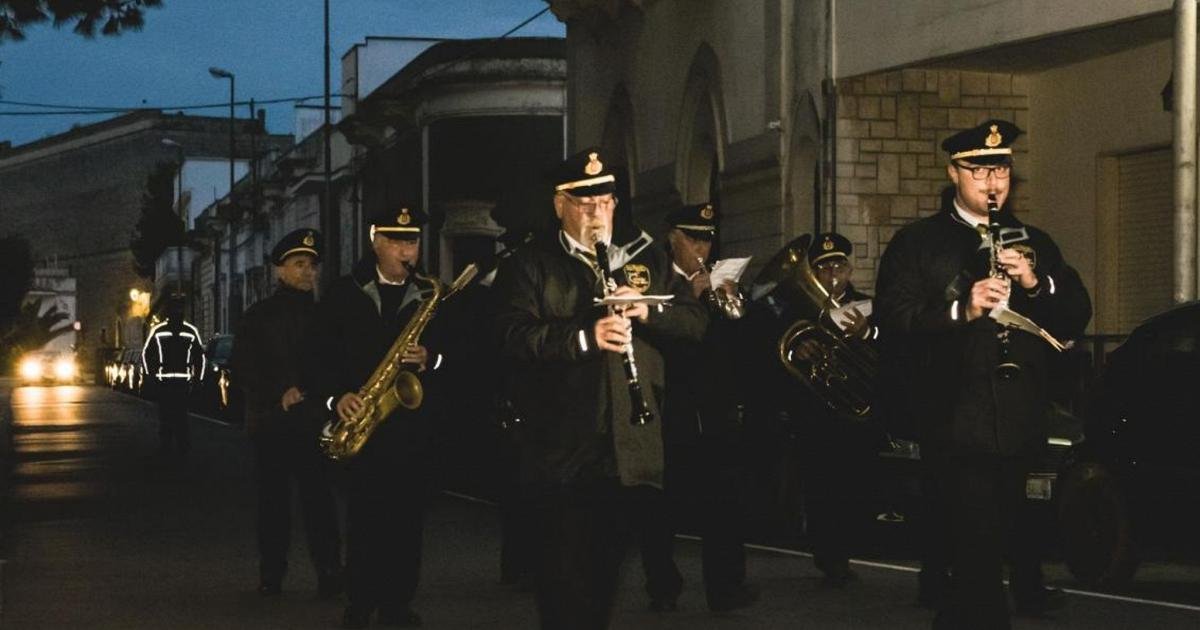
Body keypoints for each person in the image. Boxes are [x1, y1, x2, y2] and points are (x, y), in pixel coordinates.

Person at [875, 119, 1091, 629]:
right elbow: (894, 320)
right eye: (979, 171)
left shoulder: (1034, 241)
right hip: (953, 415)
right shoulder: (918, 242)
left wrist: (1035, 282)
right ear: (953, 172)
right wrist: (962, 309)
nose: (993, 183)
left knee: (992, 542)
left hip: (1018, 418)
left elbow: (1076, 314)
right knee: (975, 549)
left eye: (1002, 171)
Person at [491, 148, 708, 630]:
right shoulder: (530, 264)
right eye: (585, 204)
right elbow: (510, 335)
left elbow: (696, 322)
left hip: (628, 449)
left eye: (606, 203)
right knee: (563, 586)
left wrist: (649, 310)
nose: (597, 214)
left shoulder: (645, 258)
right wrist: (583, 338)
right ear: (560, 205)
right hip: (560, 450)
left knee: (602, 584)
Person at [309, 206, 447, 629]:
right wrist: (336, 398)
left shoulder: (429, 294)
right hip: (364, 425)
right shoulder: (342, 293)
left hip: (410, 430)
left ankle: (397, 603)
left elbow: (458, 355)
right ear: (377, 243)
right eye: (398, 242)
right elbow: (317, 358)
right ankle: (360, 601)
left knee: (407, 524)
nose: (408, 252)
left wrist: (431, 359)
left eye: (413, 242)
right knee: (365, 521)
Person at [655, 201, 758, 612]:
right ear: (673, 239)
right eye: (693, 240)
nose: (702, 249)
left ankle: (726, 587)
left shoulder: (717, 281)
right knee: (662, 503)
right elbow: (662, 337)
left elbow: (740, 350)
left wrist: (734, 306)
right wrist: (690, 297)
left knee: (725, 500)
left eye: (707, 241)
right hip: (671, 407)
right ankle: (662, 585)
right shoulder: (657, 278)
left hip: (715, 408)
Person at [230, 228, 343, 599]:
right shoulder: (259, 316)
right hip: (273, 425)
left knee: (319, 502)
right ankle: (272, 574)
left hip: (314, 423)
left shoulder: (325, 316)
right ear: (280, 270)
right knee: (273, 505)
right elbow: (243, 368)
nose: (308, 271)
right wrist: (279, 393)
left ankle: (329, 571)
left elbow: (336, 366)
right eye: (299, 264)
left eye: (311, 265)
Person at [141, 295, 205, 456]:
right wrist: (197, 380)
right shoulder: (190, 331)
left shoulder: (159, 331)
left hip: (166, 382)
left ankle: (168, 447)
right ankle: (180, 447)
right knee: (179, 416)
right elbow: (199, 358)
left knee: (167, 416)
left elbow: (147, 355)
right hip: (179, 383)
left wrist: (151, 376)